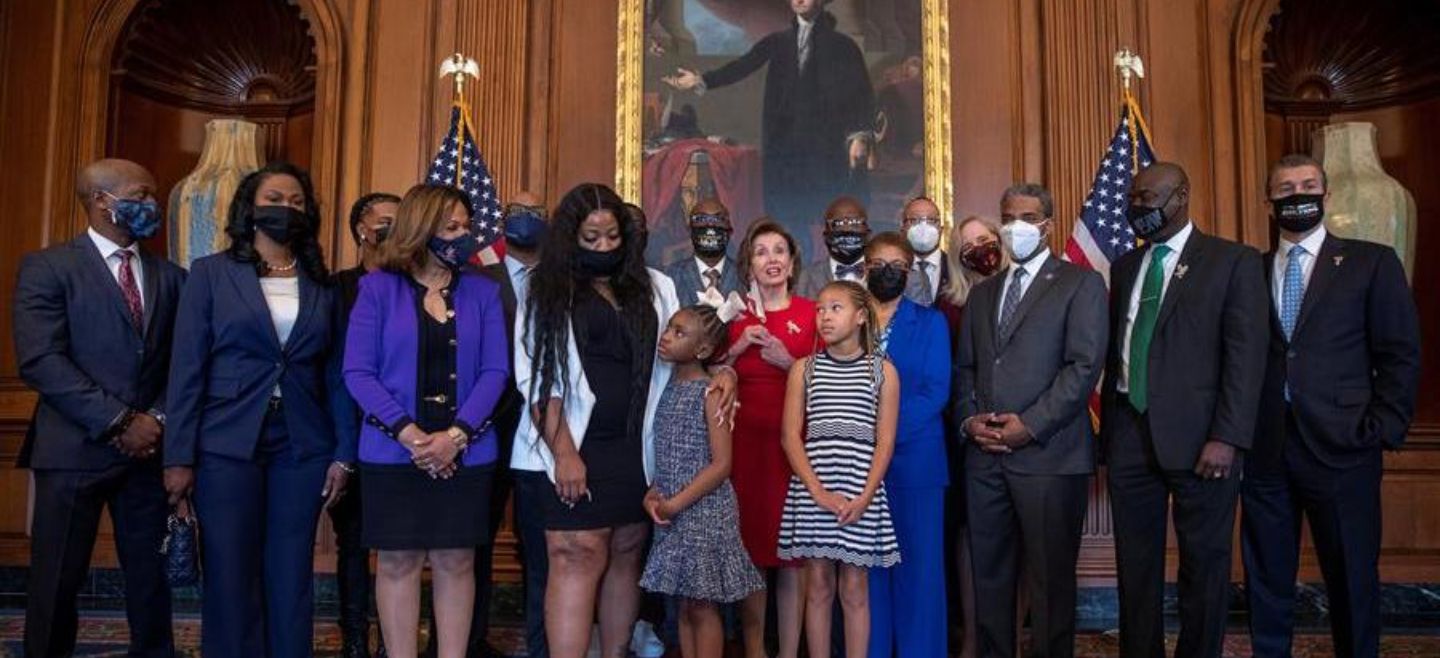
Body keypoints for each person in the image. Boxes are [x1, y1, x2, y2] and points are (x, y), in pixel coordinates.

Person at [516, 183, 734, 658]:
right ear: (568, 236)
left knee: (626, 550)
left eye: (612, 237)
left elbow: (688, 350)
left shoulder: (655, 285)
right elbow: (537, 377)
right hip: (571, 442)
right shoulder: (543, 287)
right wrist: (565, 451)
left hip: (637, 444)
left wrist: (727, 371)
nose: (603, 247)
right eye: (590, 238)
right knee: (577, 554)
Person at [163, 161, 353, 658]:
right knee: (229, 570)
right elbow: (187, 369)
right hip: (226, 441)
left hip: (303, 444)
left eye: (295, 201)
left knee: (291, 571)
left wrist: (343, 454)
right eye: (274, 199)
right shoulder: (210, 274)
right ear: (249, 208)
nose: (285, 208)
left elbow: (336, 377)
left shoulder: (323, 286)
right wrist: (177, 456)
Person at [1241, 155, 1421, 658]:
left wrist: (1382, 427)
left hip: (1345, 445)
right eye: (1285, 188)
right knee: (1266, 577)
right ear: (1269, 202)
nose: (1297, 194)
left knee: (1351, 576)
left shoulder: (1371, 261)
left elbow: (1400, 352)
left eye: (1308, 185)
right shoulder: (1248, 271)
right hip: (1266, 449)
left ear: (1326, 194)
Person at [13, 158, 185, 658]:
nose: (152, 203)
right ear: (102, 201)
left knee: (151, 585)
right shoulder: (47, 267)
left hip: (148, 455)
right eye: (142, 193)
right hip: (72, 452)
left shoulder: (172, 277)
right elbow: (41, 360)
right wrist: (119, 421)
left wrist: (156, 419)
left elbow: (185, 363)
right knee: (55, 582)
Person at [1102, 162, 1268, 658]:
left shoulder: (1232, 261)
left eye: (1149, 198)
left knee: (1204, 564)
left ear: (1182, 196)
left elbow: (1246, 354)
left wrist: (1229, 436)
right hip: (1130, 433)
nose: (1139, 208)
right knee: (1135, 566)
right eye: (1134, 198)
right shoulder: (1126, 266)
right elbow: (1121, 350)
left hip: (1204, 442)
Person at [343, 183, 510, 658]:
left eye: (465, 227)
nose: (462, 236)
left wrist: (454, 438)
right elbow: (357, 371)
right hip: (394, 452)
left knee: (457, 560)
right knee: (397, 561)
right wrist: (413, 436)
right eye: (450, 227)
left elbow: (496, 370)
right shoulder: (377, 288)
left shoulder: (482, 290)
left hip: (467, 452)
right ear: (421, 227)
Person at [955, 184, 1107, 658]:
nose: (1014, 225)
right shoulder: (983, 294)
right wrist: (968, 421)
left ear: (1046, 225)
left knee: (1049, 582)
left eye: (1026, 217)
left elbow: (1083, 367)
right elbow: (967, 368)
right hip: (985, 460)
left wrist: (1031, 425)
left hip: (1049, 456)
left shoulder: (1080, 284)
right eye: (1008, 216)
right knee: (991, 578)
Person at [662, 0, 875, 237]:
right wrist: (701, 80)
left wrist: (859, 136)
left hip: (823, 147)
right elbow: (743, 66)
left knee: (823, 214)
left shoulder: (843, 47)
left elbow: (860, 94)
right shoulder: (778, 41)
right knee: (788, 219)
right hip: (785, 146)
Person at [777, 280, 900, 658]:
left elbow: (885, 443)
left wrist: (864, 496)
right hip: (815, 488)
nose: (824, 316)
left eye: (835, 308)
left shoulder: (883, 372)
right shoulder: (804, 370)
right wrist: (817, 491)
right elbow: (790, 437)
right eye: (820, 309)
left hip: (860, 488)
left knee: (855, 586)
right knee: (817, 585)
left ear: (861, 316)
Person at [640, 304, 766, 658]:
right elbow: (664, 453)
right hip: (670, 512)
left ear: (703, 350)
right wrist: (653, 494)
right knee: (684, 602)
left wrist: (676, 503)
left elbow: (721, 464)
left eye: (679, 333)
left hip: (705, 512)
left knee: (702, 604)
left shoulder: (712, 393)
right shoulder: (664, 389)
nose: (666, 337)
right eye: (669, 328)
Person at [724, 219, 816, 658]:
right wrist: (737, 350)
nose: (771, 259)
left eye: (779, 250)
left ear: (792, 262)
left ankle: (789, 652)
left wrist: (787, 361)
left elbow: (832, 381)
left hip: (794, 449)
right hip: (744, 452)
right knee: (753, 554)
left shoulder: (813, 312)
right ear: (748, 265)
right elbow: (703, 373)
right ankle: (756, 649)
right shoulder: (731, 316)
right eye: (761, 252)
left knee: (793, 559)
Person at [466, 192, 551, 658]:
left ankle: (543, 644)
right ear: (501, 221)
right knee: (475, 535)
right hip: (489, 422)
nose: (527, 221)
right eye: (518, 213)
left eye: (536, 214)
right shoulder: (477, 275)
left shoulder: (562, 279)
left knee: (540, 542)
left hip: (548, 424)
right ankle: (468, 639)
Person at [861, 232, 951, 658]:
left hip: (916, 463)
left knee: (919, 568)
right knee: (867, 568)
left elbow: (936, 391)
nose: (887, 271)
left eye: (897, 264)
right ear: (865, 268)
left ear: (909, 271)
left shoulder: (930, 322)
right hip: (855, 463)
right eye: (878, 263)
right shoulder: (850, 321)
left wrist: (883, 434)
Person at [332, 190, 400, 658]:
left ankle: (397, 641)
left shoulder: (411, 286)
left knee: (402, 545)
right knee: (352, 542)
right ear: (361, 228)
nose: (394, 230)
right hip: (348, 429)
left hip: (401, 435)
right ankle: (355, 637)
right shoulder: (336, 288)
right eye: (385, 222)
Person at [936, 213, 1007, 658]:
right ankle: (973, 636)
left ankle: (1010, 634)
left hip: (1026, 431)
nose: (979, 248)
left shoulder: (1038, 289)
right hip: (969, 434)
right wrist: (971, 421)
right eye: (968, 245)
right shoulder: (952, 306)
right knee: (968, 531)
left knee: (1020, 536)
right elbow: (955, 374)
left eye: (985, 239)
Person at [663, 198, 745, 305]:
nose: (710, 225)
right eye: (701, 219)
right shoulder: (670, 277)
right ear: (690, 230)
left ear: (730, 231)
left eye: (718, 219)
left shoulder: (744, 276)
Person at [797, 197, 871, 298]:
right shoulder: (805, 278)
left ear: (869, 233)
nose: (847, 229)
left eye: (855, 223)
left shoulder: (880, 274)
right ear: (825, 236)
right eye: (838, 224)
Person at [898, 197, 950, 306]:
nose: (923, 227)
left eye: (931, 220)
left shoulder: (956, 269)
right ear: (902, 230)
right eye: (914, 220)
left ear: (941, 229)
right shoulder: (892, 270)